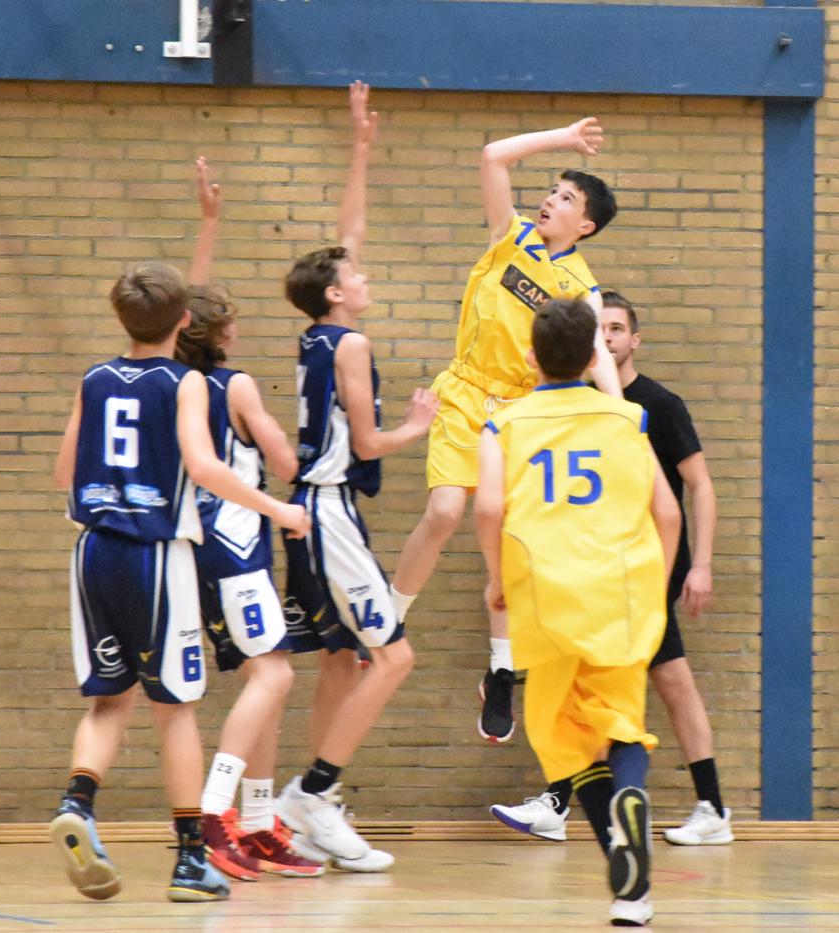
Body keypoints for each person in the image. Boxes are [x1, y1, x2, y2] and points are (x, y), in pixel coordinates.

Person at [47, 261, 303, 903]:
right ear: (183, 320)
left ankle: (78, 802)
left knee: (110, 701)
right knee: (175, 710)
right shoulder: (184, 383)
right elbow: (205, 467)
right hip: (155, 555)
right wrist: (278, 511)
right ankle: (191, 859)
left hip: (92, 551)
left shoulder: (94, 379)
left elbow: (63, 473)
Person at [389, 115, 622, 745]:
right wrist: (564, 138)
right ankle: (388, 616)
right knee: (444, 513)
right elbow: (493, 155)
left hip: (521, 414)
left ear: (585, 226)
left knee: (511, 548)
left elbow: (598, 360)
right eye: (553, 191)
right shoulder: (509, 234)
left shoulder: (583, 291)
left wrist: (620, 416)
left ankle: (500, 671)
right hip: (466, 393)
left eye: (567, 199)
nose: (551, 200)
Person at [491, 290, 732, 845]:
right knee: (584, 693)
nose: (608, 337)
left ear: (633, 340)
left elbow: (698, 487)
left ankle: (711, 806)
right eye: (601, 328)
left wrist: (701, 565)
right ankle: (561, 802)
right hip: (594, 573)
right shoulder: (573, 406)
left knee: (666, 684)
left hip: (640, 571)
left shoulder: (653, 407)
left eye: (617, 328)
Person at [274, 83, 439, 873]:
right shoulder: (352, 344)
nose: (365, 274)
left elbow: (348, 235)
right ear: (337, 294)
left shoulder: (317, 332)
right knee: (393, 657)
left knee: (340, 661)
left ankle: (320, 809)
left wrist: (362, 149)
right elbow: (369, 439)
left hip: (310, 510)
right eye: (356, 274)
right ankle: (312, 792)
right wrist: (419, 423)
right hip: (331, 512)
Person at [476, 296, 681, 928]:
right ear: (595, 357)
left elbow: (488, 508)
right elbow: (668, 513)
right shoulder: (630, 419)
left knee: (563, 740)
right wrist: (655, 586)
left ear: (531, 357)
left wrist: (497, 579)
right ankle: (633, 850)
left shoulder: (505, 424)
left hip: (546, 594)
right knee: (622, 724)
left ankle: (621, 862)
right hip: (620, 593)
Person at [177, 160, 323, 881]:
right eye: (230, 319)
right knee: (272, 673)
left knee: (272, 672)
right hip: (236, 542)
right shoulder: (235, 386)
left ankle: (260, 822)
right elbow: (286, 461)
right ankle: (214, 814)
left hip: (196, 546)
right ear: (221, 334)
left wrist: (209, 225)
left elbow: (185, 305)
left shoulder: (173, 377)